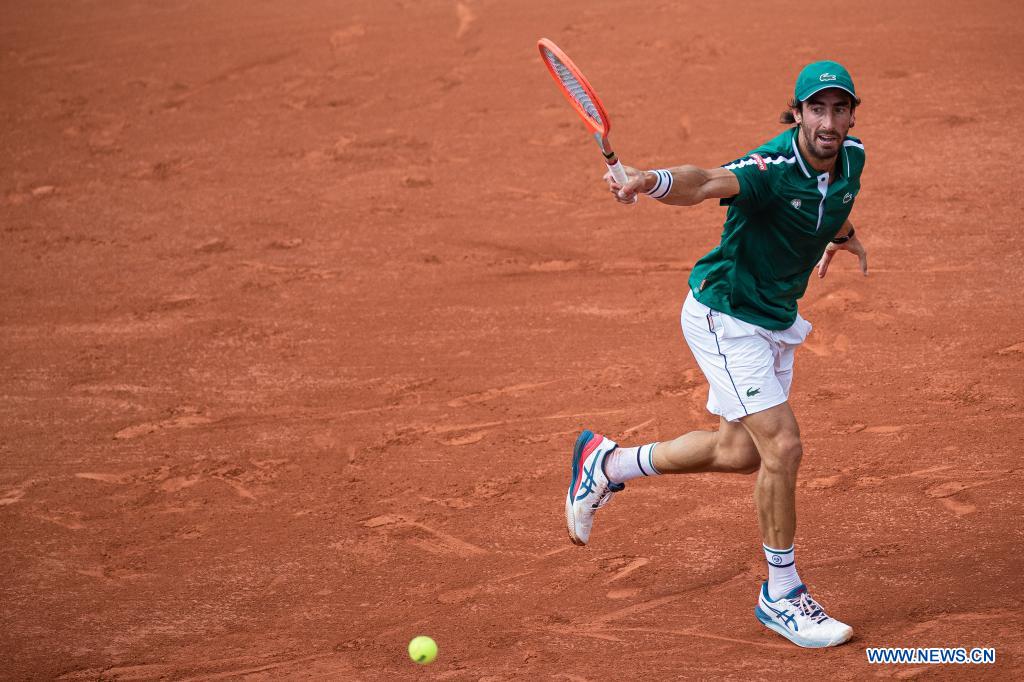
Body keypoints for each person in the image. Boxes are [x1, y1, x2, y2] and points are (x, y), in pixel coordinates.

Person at [565, 61, 869, 649]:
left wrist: (841, 234)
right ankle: (781, 596)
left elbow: (833, 199)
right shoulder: (770, 169)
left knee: (740, 454)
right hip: (727, 314)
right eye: (817, 109)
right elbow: (704, 181)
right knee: (782, 445)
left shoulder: (851, 158)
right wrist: (647, 180)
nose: (828, 121)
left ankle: (606, 464)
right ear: (798, 113)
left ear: (851, 114)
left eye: (839, 109)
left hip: (774, 320)